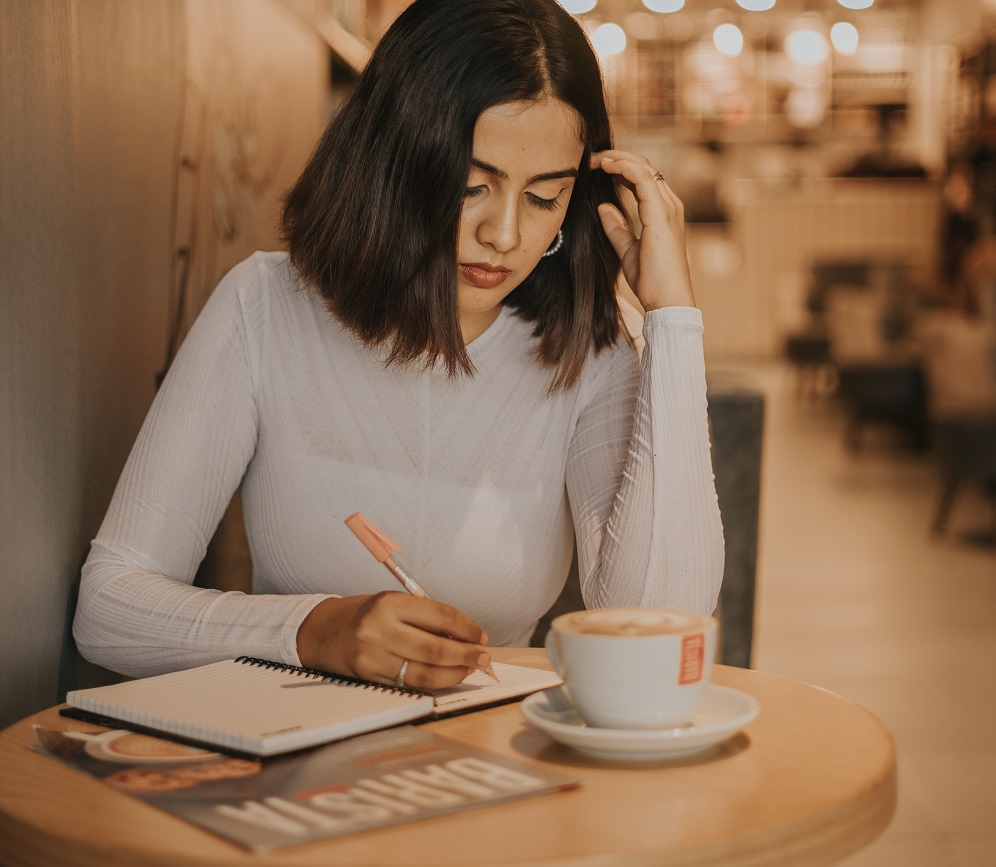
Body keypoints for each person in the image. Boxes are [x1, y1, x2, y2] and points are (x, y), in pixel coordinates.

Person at [73, 0, 724, 692]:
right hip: (293, 754)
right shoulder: (266, 308)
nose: (503, 235)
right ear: (394, 159)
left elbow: (662, 628)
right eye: (473, 185)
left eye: (543, 198)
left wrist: (672, 320)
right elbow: (108, 609)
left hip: (493, 767)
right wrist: (312, 629)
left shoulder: (585, 353)